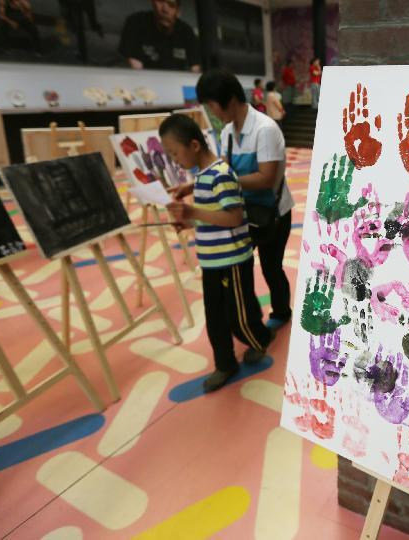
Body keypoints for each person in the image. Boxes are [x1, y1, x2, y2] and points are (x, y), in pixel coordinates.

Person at [160, 114, 272, 393]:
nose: (174, 159)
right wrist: (187, 221)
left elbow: (234, 217)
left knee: (239, 316)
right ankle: (225, 364)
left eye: (175, 152)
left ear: (194, 145)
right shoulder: (201, 176)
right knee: (215, 316)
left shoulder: (220, 174)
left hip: (232, 260)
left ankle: (260, 338)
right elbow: (213, 217)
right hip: (211, 260)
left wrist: (192, 211)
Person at [196, 69, 294, 331]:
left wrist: (225, 178)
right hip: (244, 211)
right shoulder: (226, 132)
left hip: (274, 212)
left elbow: (265, 178)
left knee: (271, 268)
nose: (211, 112)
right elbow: (224, 168)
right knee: (240, 268)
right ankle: (250, 324)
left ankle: (282, 311)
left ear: (228, 100)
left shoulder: (265, 129)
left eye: (211, 105)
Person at [119, 0, 200, 72]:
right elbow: (134, 67)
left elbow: (195, 68)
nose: (165, 9)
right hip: (143, 81)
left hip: (176, 82)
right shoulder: (136, 23)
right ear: (153, 2)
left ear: (178, 11)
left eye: (171, 5)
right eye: (160, 1)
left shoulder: (186, 31)